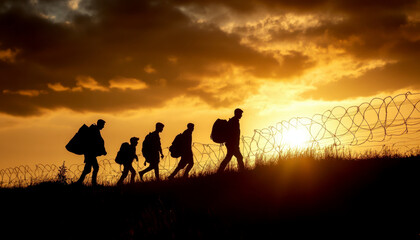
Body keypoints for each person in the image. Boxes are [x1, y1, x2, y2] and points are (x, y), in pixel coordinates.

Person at [76, 119, 107, 185]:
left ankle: (79, 182)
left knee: (88, 169)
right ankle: (93, 183)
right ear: (100, 124)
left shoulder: (95, 130)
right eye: (103, 125)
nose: (103, 127)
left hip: (90, 153)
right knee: (95, 167)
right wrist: (102, 151)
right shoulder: (95, 130)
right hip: (90, 153)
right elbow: (96, 142)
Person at [217, 109, 245, 173]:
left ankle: (219, 171)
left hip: (232, 143)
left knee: (228, 157)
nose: (241, 115)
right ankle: (242, 172)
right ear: (236, 113)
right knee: (239, 157)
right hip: (232, 144)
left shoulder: (234, 121)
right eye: (240, 114)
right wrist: (235, 144)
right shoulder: (234, 121)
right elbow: (233, 133)